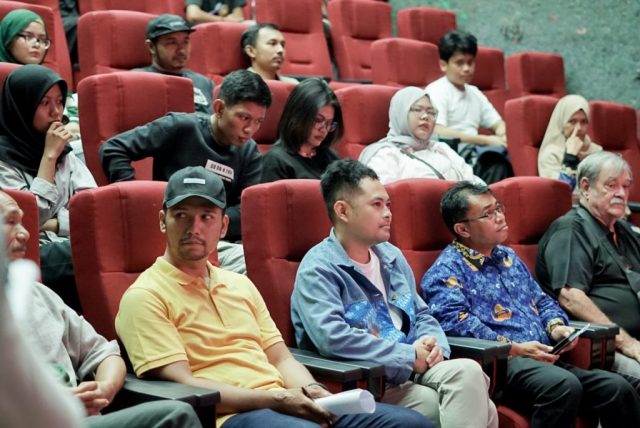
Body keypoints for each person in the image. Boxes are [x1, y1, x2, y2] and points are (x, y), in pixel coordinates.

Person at [116, 166, 430, 428]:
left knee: (411, 424)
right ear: (163, 221)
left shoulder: (239, 284)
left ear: (223, 226)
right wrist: (276, 399)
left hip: (283, 401)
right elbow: (181, 384)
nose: (194, 228)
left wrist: (313, 390)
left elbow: (280, 358)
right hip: (229, 415)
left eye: (207, 217)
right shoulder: (145, 296)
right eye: (182, 216)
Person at [292, 159, 498, 428]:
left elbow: (422, 314)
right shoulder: (319, 268)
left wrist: (434, 347)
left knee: (470, 374)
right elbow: (332, 337)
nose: (388, 213)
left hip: (414, 368)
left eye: (388, 204)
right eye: (377, 205)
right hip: (369, 382)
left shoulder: (391, 256)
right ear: (343, 211)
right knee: (478, 406)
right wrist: (408, 356)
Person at [421, 180, 640, 427]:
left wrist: (556, 327)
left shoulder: (508, 257)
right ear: (463, 229)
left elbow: (542, 301)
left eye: (498, 208)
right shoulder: (445, 271)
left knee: (617, 389)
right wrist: (516, 348)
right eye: (488, 214)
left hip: (545, 355)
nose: (500, 217)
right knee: (562, 385)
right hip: (501, 365)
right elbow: (456, 326)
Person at [0, 190, 203, 428]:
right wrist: (50, 404)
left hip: (80, 420)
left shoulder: (41, 295)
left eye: (22, 222)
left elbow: (105, 354)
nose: (25, 233)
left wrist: (104, 388)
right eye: (10, 222)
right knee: (176, 416)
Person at [100, 69, 270, 274]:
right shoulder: (181, 127)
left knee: (258, 264)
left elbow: (245, 212)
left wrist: (207, 223)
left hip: (216, 243)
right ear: (219, 108)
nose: (250, 129)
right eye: (244, 118)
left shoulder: (249, 152)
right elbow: (114, 149)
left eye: (258, 122)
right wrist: (136, 198)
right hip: (169, 233)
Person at [537, 151, 640, 393]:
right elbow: (571, 297)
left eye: (626, 186)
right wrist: (629, 344)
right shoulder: (571, 231)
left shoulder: (624, 230)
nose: (622, 193)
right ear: (585, 187)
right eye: (611, 185)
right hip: (600, 346)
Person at [0, 64, 96, 311]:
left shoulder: (67, 155)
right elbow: (28, 220)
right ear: (22, 107)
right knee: (91, 254)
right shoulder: (3, 161)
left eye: (60, 101)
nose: (56, 112)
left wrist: (54, 224)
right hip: (22, 253)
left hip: (66, 245)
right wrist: (49, 157)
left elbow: (93, 215)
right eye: (45, 103)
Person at [425, 30, 511, 184]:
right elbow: (438, 131)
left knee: (506, 156)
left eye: (470, 62)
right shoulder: (437, 90)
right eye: (459, 63)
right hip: (449, 153)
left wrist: (503, 135)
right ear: (443, 65)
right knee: (495, 162)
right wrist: (485, 140)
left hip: (474, 153)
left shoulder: (475, 93)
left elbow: (497, 124)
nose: (466, 68)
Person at [359, 86, 483, 185]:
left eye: (431, 112)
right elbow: (383, 199)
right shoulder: (385, 154)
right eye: (417, 110)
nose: (425, 116)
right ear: (400, 114)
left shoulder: (441, 148)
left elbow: (473, 181)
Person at [0, 8, 81, 149]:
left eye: (42, 40)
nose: (37, 44)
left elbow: (72, 111)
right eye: (28, 36)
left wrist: (73, 125)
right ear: (8, 38)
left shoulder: (48, 78)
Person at [261, 78, 340, 182]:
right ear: (298, 115)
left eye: (329, 123)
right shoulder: (276, 161)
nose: (324, 129)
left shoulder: (331, 157)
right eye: (318, 120)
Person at [133, 14, 215, 115]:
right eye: (172, 43)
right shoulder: (137, 81)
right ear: (151, 47)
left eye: (185, 42)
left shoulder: (204, 83)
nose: (181, 50)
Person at [538, 94, 602, 190]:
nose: (579, 128)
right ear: (562, 123)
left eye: (584, 122)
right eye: (572, 121)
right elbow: (559, 192)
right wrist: (570, 157)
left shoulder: (597, 152)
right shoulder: (551, 155)